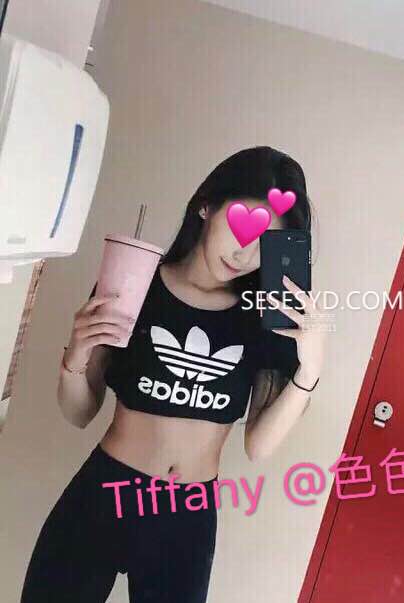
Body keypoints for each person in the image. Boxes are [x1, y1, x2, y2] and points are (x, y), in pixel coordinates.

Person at [20, 146, 327, 603]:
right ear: (206, 205)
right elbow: (80, 413)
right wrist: (76, 356)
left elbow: (258, 447)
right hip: (103, 497)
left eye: (265, 243)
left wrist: (311, 368)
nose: (245, 252)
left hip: (186, 518)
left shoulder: (265, 319)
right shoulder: (136, 282)